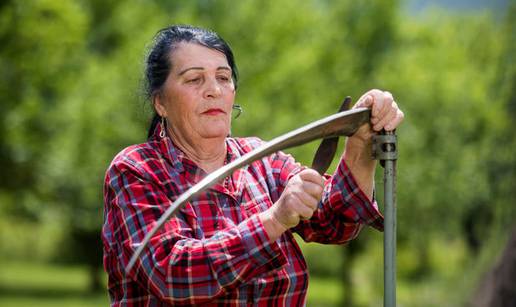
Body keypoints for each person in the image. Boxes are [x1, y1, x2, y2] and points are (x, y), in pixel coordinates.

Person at [102, 25, 404, 306]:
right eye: (194, 79)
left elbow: (335, 222)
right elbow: (173, 276)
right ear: (160, 103)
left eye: (223, 77)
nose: (214, 90)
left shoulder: (262, 160)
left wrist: (361, 144)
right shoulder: (136, 168)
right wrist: (273, 220)